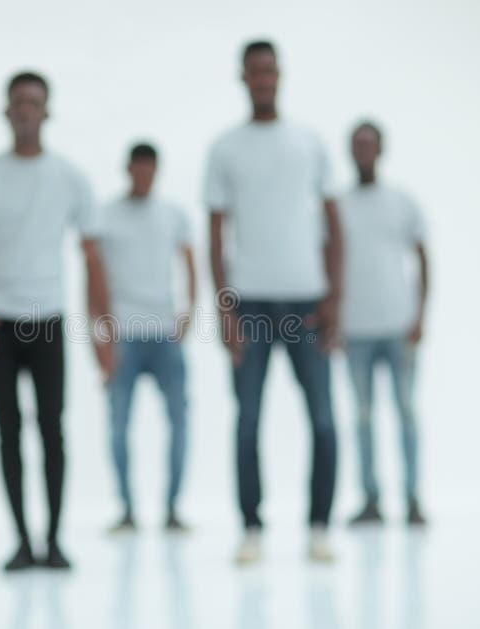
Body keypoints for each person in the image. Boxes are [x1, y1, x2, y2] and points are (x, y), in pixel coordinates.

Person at [0, 71, 113, 571]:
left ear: (47, 111)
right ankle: (22, 540)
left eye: (35, 102)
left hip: (45, 321)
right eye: (18, 102)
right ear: (6, 111)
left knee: (52, 430)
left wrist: (102, 335)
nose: (26, 110)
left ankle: (55, 539)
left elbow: (92, 259)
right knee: (7, 430)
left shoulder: (69, 177)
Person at [204, 41, 343, 563]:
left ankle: (320, 526)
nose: (262, 79)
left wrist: (335, 299)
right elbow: (215, 234)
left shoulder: (308, 142)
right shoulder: (226, 147)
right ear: (242, 77)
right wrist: (224, 310)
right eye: (254, 72)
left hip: (308, 302)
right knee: (247, 421)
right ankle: (251, 527)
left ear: (280, 74)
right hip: (251, 306)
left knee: (324, 420)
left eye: (269, 71)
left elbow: (334, 226)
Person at [98, 143, 196, 534]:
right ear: (128, 169)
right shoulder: (106, 216)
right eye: (137, 169)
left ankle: (172, 508)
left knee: (179, 422)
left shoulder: (173, 215)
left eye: (150, 169)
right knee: (119, 426)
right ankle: (127, 510)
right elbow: (95, 275)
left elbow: (190, 263)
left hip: (164, 334)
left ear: (157, 170)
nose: (143, 176)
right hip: (123, 333)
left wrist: (188, 312)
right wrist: (100, 332)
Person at [338, 121, 429, 526]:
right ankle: (370, 499)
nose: (363, 152)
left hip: (398, 324)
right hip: (355, 329)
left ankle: (411, 498)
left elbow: (423, 259)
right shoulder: (337, 204)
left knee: (406, 411)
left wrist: (420, 315)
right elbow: (329, 264)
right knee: (362, 416)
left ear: (382, 150)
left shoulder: (401, 202)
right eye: (357, 146)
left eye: (369, 145)